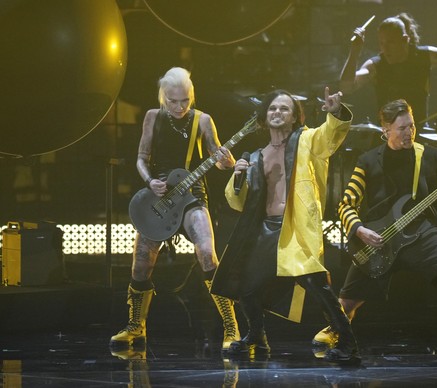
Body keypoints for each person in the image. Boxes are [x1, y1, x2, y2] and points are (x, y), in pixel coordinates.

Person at [312, 99, 437, 356]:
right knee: (347, 303)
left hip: (423, 231)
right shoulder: (368, 160)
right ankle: (337, 328)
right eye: (402, 128)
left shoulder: (431, 155)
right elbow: (346, 203)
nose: (409, 133)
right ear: (386, 130)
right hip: (381, 237)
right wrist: (360, 229)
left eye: (412, 126)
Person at [210, 87, 360, 364]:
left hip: (295, 228)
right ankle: (256, 335)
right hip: (265, 229)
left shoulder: (306, 141)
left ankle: (348, 341)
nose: (277, 112)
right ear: (265, 117)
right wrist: (237, 174)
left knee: (317, 284)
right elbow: (237, 201)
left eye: (284, 109)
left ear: (294, 118)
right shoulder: (255, 156)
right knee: (246, 285)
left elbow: (330, 137)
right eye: (272, 108)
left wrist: (336, 113)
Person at [110, 67, 240, 352]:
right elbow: (141, 158)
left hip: (192, 194)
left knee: (207, 254)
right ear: (163, 97)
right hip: (159, 198)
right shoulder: (152, 117)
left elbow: (216, 157)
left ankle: (231, 328)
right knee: (141, 264)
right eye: (173, 101)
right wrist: (150, 181)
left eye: (185, 100)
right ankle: (135, 327)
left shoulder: (203, 120)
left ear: (191, 96)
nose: (180, 107)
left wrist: (227, 163)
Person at [340, 12, 437, 122]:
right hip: (388, 137)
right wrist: (355, 51)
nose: (384, 48)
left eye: (390, 42)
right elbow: (346, 87)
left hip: (417, 132)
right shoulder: (376, 65)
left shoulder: (424, 56)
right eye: (381, 43)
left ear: (405, 39)